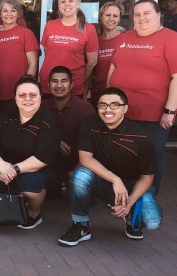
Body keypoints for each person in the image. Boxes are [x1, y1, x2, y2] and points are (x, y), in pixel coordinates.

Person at [58, 87, 161, 246]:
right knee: (79, 176)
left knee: (152, 221)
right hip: (106, 182)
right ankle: (81, 225)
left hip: (133, 187)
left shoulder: (141, 136)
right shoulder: (90, 123)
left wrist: (129, 202)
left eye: (114, 105)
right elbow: (85, 159)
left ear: (125, 108)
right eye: (102, 105)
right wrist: (115, 180)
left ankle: (131, 217)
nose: (107, 110)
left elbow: (147, 177)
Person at [108, 0, 177, 195]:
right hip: (121, 112)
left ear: (158, 15)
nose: (141, 18)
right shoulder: (124, 37)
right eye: (137, 14)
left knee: (152, 157)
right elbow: (114, 67)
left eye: (147, 13)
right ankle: (123, 195)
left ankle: (148, 199)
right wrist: (108, 100)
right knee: (121, 154)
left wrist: (169, 111)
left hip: (152, 114)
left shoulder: (170, 38)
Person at [0, 76, 61, 229]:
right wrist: (1, 164)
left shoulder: (48, 121)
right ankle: (9, 202)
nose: (27, 99)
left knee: (29, 183)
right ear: (15, 97)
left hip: (38, 168)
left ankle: (34, 213)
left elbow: (42, 158)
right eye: (22, 95)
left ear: (40, 97)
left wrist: (13, 170)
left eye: (33, 95)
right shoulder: (7, 114)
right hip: (6, 164)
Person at [0, 0, 39, 114]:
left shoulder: (26, 34)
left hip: (18, 94)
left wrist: (26, 89)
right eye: (5, 10)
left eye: (13, 10)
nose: (9, 14)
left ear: (18, 13)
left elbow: (33, 64)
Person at [42, 66, 94, 194]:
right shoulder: (41, 107)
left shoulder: (85, 109)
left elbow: (94, 144)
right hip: (51, 164)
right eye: (54, 81)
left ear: (71, 85)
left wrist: (78, 169)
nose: (59, 85)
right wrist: (55, 140)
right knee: (47, 189)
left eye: (64, 81)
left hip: (81, 163)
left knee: (79, 186)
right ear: (48, 85)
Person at [40, 0, 98, 98]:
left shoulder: (89, 29)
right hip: (49, 83)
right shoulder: (50, 25)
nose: (67, 4)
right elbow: (48, 53)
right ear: (58, 5)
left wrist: (78, 80)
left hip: (73, 86)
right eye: (63, 1)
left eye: (71, 1)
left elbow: (92, 63)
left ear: (78, 4)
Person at [91, 1, 124, 104]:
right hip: (98, 93)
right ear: (101, 17)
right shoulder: (95, 40)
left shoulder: (126, 38)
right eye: (108, 15)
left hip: (120, 96)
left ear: (119, 19)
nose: (111, 19)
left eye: (115, 16)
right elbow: (90, 68)